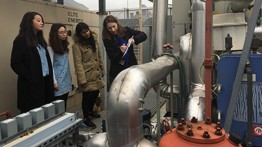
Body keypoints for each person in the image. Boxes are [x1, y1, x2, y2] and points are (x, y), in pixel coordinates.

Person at [11, 12, 54, 113]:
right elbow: (15, 63)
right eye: (38, 21)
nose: (42, 23)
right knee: (32, 117)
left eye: (42, 21)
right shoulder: (21, 40)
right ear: (29, 23)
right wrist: (30, 75)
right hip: (31, 86)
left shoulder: (40, 41)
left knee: (44, 114)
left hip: (45, 83)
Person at [72, 22, 105, 129]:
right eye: (83, 33)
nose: (86, 34)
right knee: (87, 97)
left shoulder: (94, 41)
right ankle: (86, 118)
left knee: (95, 93)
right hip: (87, 75)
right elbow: (78, 64)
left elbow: (99, 56)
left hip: (96, 73)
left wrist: (102, 69)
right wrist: (82, 80)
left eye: (87, 31)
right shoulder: (76, 46)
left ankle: (90, 111)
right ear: (79, 34)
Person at [102, 15, 147, 89]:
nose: (113, 30)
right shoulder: (106, 39)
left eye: (114, 26)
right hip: (117, 72)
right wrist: (120, 51)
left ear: (117, 24)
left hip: (131, 68)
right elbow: (112, 57)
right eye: (110, 28)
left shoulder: (126, 31)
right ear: (106, 29)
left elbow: (144, 35)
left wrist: (134, 40)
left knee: (133, 91)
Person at [47, 23, 72, 110]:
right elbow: (51, 65)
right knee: (58, 105)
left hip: (66, 78)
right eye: (61, 32)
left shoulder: (64, 46)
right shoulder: (50, 48)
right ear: (55, 34)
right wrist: (54, 82)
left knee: (64, 102)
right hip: (58, 80)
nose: (64, 34)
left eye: (65, 31)